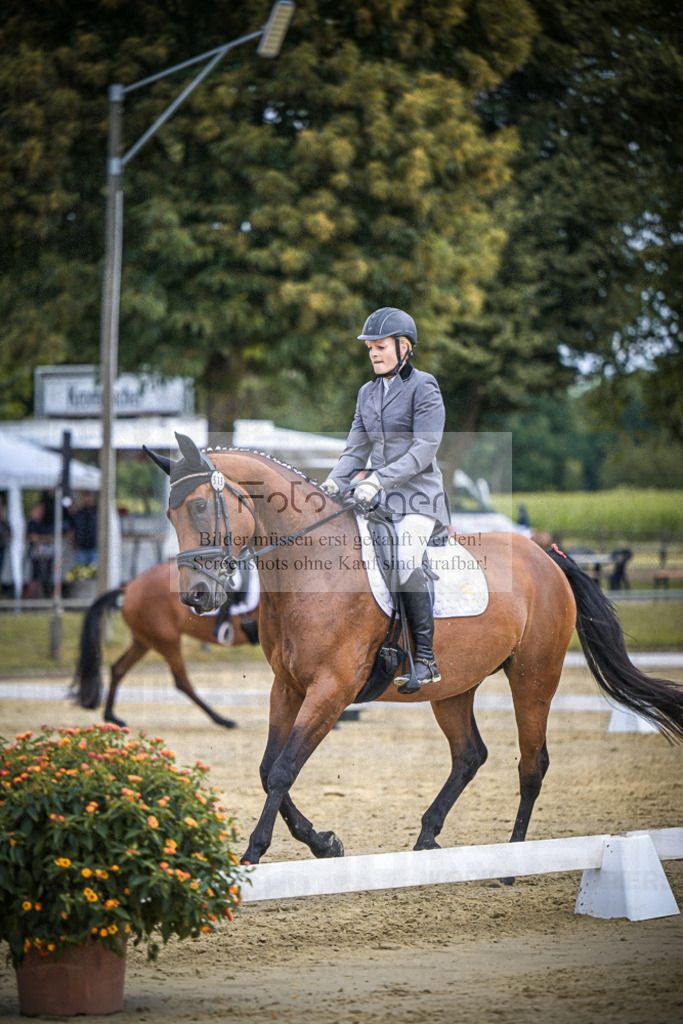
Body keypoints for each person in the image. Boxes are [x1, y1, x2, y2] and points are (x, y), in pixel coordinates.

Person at [320, 307, 449, 692]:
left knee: (406, 557)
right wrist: (330, 484)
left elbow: (424, 449)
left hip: (419, 499)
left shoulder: (424, 386)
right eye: (370, 348)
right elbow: (355, 449)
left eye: (380, 347)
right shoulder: (366, 392)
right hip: (376, 498)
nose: (374, 354)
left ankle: (425, 659)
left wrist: (377, 480)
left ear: (403, 347)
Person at [26, 501, 54, 598]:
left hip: (43, 553)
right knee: (35, 577)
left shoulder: (40, 522)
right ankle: (33, 597)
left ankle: (39, 596)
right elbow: (34, 538)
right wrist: (39, 552)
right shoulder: (32, 523)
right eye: (40, 510)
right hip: (38, 554)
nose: (42, 512)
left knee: (40, 577)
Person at [70, 491, 98, 566]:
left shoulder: (97, 512)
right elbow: (72, 530)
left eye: (89, 497)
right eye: (85, 497)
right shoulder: (77, 513)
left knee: (93, 571)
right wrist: (73, 544)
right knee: (81, 572)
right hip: (81, 548)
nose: (87, 500)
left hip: (94, 547)